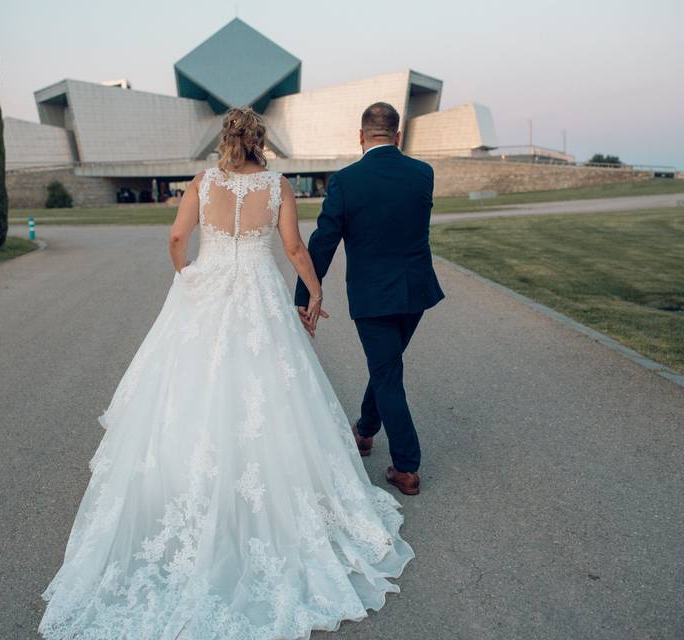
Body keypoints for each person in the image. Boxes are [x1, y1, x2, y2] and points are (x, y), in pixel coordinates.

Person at [37, 106, 415, 639]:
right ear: (260, 141)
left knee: (190, 390)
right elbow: (292, 248)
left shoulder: (201, 182)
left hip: (208, 289)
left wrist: (187, 277)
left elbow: (175, 239)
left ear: (224, 140)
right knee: (271, 390)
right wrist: (316, 289)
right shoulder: (277, 185)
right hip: (259, 293)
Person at [294, 102, 445, 496]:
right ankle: (364, 431)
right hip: (415, 292)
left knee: (387, 374)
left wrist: (307, 291)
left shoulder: (345, 181)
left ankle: (407, 467)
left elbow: (323, 241)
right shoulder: (423, 174)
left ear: (361, 136)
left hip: (373, 295)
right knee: (386, 367)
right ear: (397, 136)